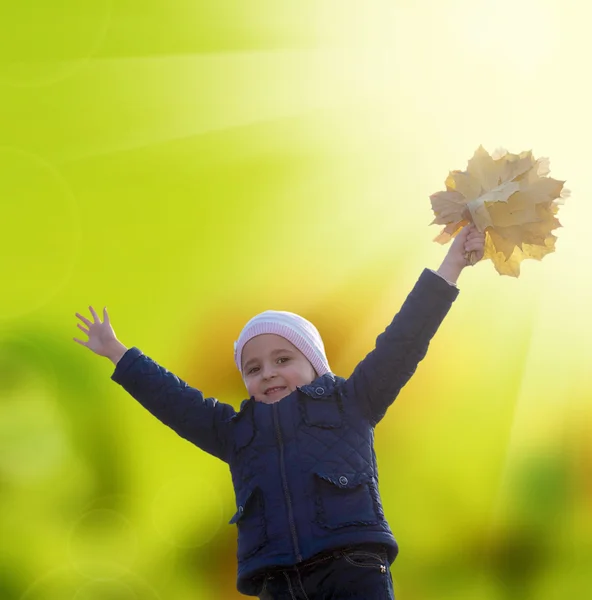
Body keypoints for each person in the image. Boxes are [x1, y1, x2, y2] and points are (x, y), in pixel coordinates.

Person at [73, 224, 486, 599]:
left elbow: (404, 339)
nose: (268, 373)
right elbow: (175, 401)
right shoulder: (234, 431)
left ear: (314, 363)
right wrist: (119, 354)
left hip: (351, 570)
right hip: (277, 583)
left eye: (283, 359)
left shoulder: (353, 401)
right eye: (253, 368)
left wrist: (451, 266)